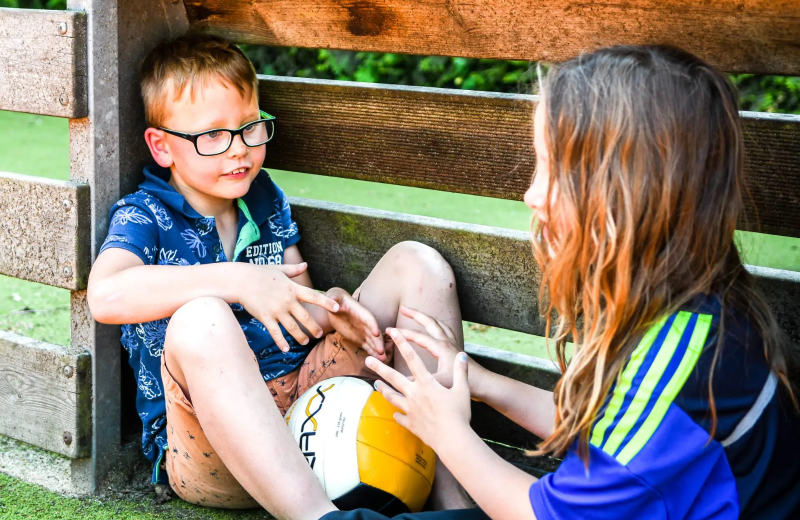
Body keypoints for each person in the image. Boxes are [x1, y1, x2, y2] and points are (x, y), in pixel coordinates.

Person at [355, 46, 800, 520]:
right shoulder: (685, 314)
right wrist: (484, 384)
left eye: (553, 169)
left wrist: (447, 431)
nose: (531, 193)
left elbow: (547, 516)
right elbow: (606, 431)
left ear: (626, 195)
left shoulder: (682, 364)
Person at [86, 34, 472, 518]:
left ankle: (455, 499)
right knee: (201, 317)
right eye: (212, 136)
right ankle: (318, 516)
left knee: (418, 264)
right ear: (162, 147)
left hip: (307, 400)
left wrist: (335, 313)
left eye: (250, 128)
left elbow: (300, 309)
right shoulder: (143, 215)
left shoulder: (263, 198)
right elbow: (106, 294)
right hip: (211, 444)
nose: (239, 151)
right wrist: (237, 279)